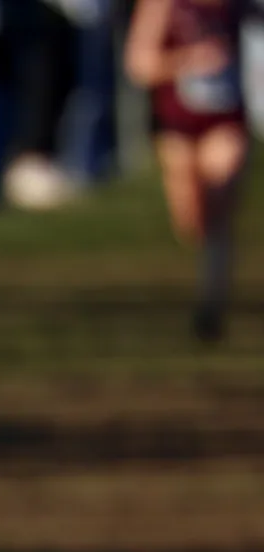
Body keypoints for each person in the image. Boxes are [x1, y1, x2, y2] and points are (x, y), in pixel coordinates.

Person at [125, 0, 249, 340]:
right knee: (192, 221)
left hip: (226, 118)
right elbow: (139, 64)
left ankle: (212, 305)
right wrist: (189, 60)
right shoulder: (162, 5)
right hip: (178, 124)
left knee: (222, 195)